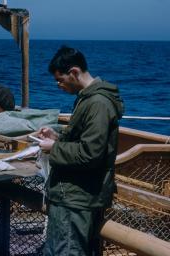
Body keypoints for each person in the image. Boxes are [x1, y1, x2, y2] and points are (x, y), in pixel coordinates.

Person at [38, 46, 124, 256]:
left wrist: (54, 148)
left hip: (76, 200)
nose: (58, 85)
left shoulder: (98, 103)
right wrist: (57, 138)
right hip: (73, 195)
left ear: (74, 72)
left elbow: (90, 154)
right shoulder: (88, 99)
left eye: (60, 80)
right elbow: (85, 143)